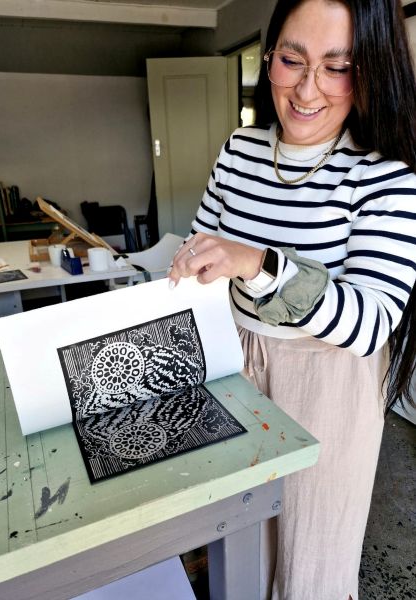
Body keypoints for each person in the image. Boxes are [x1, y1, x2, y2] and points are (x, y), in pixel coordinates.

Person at [169, 0, 416, 598]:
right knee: (237, 537)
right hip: (233, 361)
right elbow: (199, 254)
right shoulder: (239, 150)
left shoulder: (386, 175)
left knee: (311, 561)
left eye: (338, 67)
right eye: (292, 60)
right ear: (269, 57)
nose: (307, 90)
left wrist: (256, 263)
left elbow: (370, 323)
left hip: (327, 382)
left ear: (372, 71)